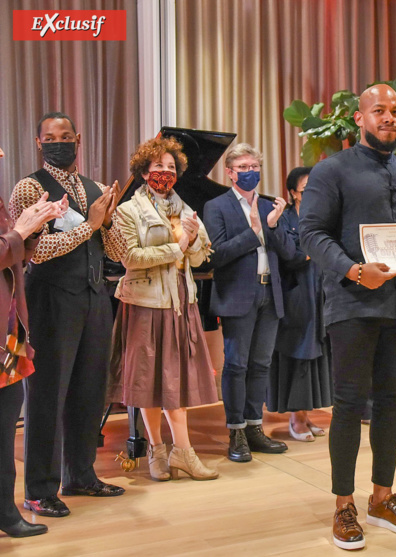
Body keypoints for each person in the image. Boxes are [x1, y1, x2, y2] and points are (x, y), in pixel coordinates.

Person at [300, 84, 396, 551]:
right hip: (353, 305)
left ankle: (382, 498)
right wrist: (354, 270)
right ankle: (343, 505)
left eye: (395, 111)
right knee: (350, 405)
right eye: (379, 110)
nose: (389, 118)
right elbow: (310, 233)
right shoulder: (331, 170)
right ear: (359, 118)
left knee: (393, 403)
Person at [9, 112, 126, 518]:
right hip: (50, 300)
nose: (59, 143)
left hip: (94, 297)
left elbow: (118, 252)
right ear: (39, 143)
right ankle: (40, 490)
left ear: (78, 139)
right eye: (50, 137)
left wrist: (106, 221)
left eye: (66, 136)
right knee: (47, 395)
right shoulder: (29, 188)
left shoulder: (93, 187)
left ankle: (81, 474)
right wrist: (90, 225)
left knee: (89, 389)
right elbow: (35, 252)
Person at [107, 136, 219, 481]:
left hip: (180, 304)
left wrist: (196, 236)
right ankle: (157, 450)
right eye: (158, 166)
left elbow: (199, 258)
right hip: (145, 304)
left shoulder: (185, 209)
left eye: (171, 167)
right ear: (143, 171)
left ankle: (182, 452)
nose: (165, 172)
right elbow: (131, 258)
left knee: (175, 382)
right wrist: (177, 246)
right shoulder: (128, 211)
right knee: (147, 382)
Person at [204, 143, 294, 462]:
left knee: (261, 365)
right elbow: (215, 255)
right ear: (229, 173)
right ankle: (236, 431)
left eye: (253, 166)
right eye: (242, 167)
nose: (249, 172)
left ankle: (256, 427)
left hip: (270, 293)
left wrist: (271, 227)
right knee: (236, 365)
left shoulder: (271, 205)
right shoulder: (216, 207)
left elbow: (289, 253)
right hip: (237, 295)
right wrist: (254, 233)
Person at [0, 146, 65, 537]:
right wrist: (19, 231)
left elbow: (14, 255)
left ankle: (5, 512)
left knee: (7, 422)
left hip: (10, 331)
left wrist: (34, 228)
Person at [267, 166, 332, 441]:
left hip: (320, 292)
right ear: (293, 193)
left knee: (317, 353)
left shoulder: (322, 216)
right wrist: (312, 250)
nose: (311, 194)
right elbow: (291, 256)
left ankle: (306, 415)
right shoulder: (284, 218)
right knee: (299, 354)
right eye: (306, 190)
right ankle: (296, 419)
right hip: (297, 295)